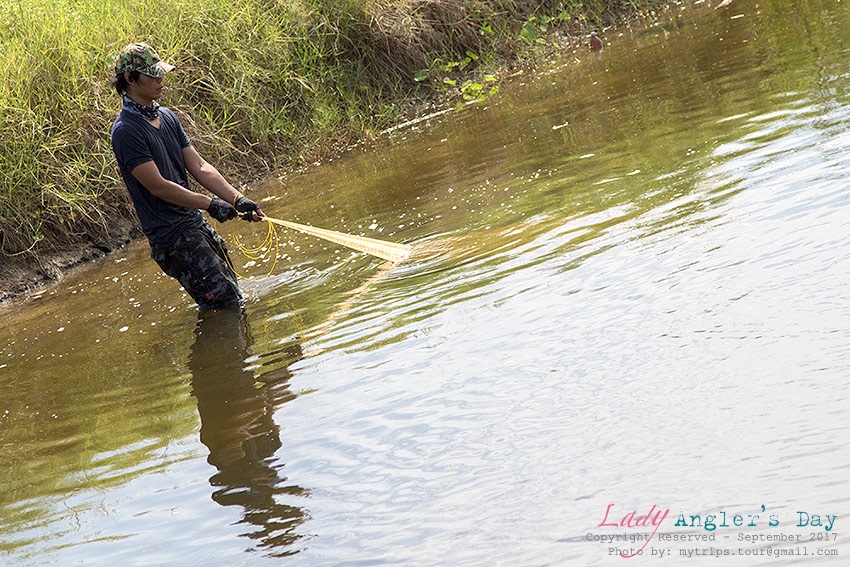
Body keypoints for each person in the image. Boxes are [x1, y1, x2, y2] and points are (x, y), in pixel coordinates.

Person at [110, 42, 264, 310]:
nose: (160, 80)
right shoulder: (126, 131)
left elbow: (199, 166)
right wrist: (211, 204)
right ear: (130, 79)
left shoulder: (167, 117)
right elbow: (158, 187)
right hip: (172, 238)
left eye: (160, 72)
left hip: (194, 225)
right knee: (226, 305)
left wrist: (237, 199)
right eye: (152, 75)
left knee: (231, 299)